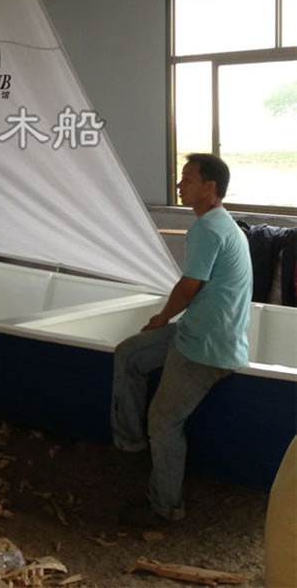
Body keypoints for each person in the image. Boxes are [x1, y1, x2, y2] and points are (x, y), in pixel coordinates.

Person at [110, 153, 252, 525]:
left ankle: (165, 506)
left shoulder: (208, 229)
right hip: (200, 333)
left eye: (188, 178)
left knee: (163, 421)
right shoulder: (222, 224)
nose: (179, 185)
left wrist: (161, 318)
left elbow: (189, 288)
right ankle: (130, 444)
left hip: (204, 347)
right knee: (129, 354)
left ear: (210, 187)